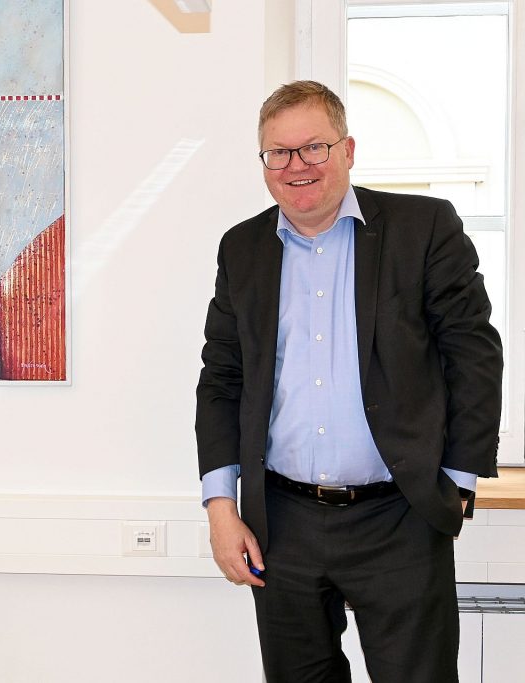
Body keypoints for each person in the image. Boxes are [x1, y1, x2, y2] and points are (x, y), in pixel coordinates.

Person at [195, 80, 502, 683]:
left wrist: (457, 483)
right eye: (277, 153)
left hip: (401, 516)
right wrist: (220, 507)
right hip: (280, 521)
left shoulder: (424, 227)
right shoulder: (243, 248)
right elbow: (221, 381)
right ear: (263, 162)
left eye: (313, 147)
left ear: (348, 150)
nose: (295, 165)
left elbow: (474, 355)